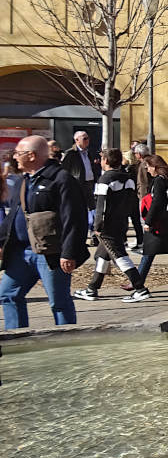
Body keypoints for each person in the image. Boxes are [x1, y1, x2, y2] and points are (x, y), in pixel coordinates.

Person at [0, 135, 88, 328]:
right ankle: (17, 338)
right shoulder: (26, 180)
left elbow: (73, 218)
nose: (14, 157)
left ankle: (65, 343)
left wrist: (69, 252)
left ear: (31, 155)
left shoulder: (61, 179)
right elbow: (14, 215)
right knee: (8, 293)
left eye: (18, 153)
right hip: (22, 253)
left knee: (58, 302)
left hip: (50, 253)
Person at [72, 148, 150, 303]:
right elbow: (130, 202)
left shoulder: (105, 180)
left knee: (119, 255)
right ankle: (92, 289)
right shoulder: (128, 179)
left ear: (106, 161)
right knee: (103, 255)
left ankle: (140, 288)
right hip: (121, 222)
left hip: (107, 226)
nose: (101, 162)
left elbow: (101, 206)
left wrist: (97, 226)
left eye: (102, 159)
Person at [133, 154, 168, 298]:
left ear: (155, 166)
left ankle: (137, 282)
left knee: (149, 252)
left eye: (148, 167)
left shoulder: (159, 181)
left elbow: (156, 202)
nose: (147, 170)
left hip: (161, 223)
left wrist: (148, 222)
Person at [61, 130, 101, 230]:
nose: (87, 141)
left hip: (90, 183)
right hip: (78, 184)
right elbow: (64, 170)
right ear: (77, 140)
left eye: (88, 138)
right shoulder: (71, 153)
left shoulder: (89, 152)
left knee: (92, 207)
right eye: (84, 138)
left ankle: (93, 232)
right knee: (79, 208)